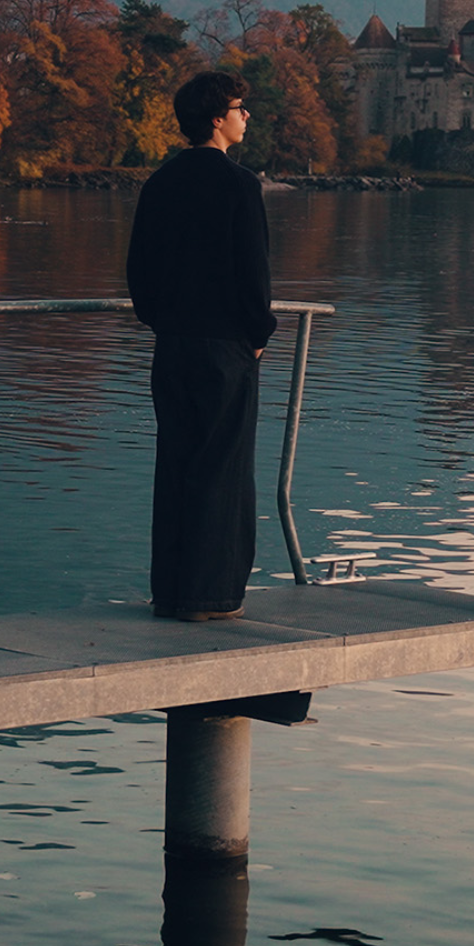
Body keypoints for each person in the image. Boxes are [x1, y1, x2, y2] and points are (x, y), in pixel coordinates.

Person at [126, 71, 277, 620]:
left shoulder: (160, 182)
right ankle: (212, 596)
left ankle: (171, 590)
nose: (246, 116)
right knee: (223, 471)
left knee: (177, 465)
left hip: (173, 346)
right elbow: (253, 275)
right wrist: (258, 336)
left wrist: (161, 321)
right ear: (217, 118)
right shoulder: (239, 185)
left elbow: (138, 271)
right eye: (240, 107)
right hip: (225, 349)